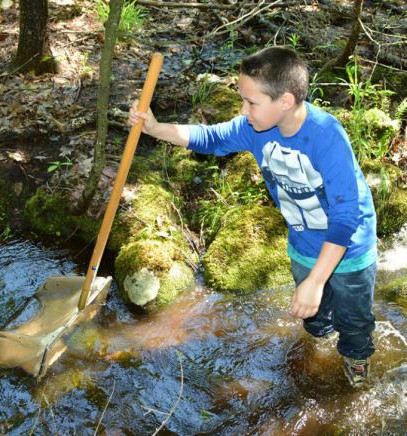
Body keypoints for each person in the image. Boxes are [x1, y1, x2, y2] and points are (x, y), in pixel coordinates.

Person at [128, 46, 377, 387]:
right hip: (304, 240)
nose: (244, 111)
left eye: (251, 102)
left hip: (349, 248)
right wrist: (155, 129)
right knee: (314, 315)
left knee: (354, 317)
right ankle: (319, 341)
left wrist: (317, 282)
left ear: (285, 101)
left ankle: (356, 358)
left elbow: (346, 216)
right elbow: (211, 137)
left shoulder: (326, 136)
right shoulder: (256, 128)